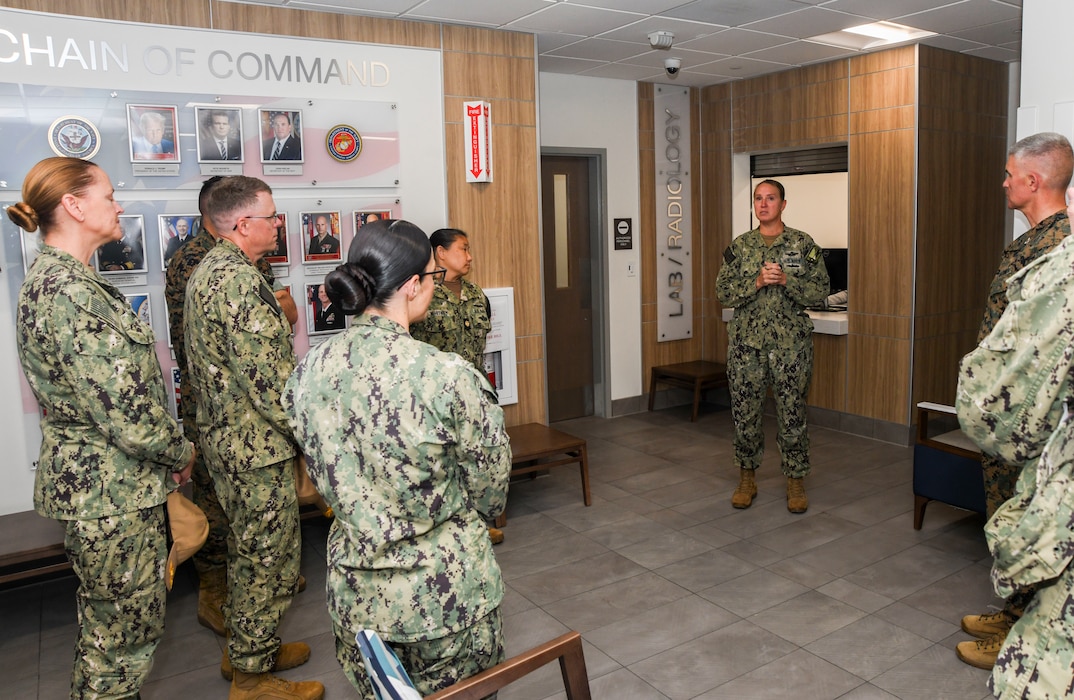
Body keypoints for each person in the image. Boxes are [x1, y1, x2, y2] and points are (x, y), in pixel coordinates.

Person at [281, 218, 511, 699]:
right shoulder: (446, 375)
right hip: (444, 600)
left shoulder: (308, 373)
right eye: (432, 277)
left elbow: (323, 473)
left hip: (357, 599)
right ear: (412, 287)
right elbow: (490, 488)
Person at [9, 157, 196, 698]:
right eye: (109, 195)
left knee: (110, 634)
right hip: (111, 494)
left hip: (106, 488)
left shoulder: (64, 282)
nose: (119, 206)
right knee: (121, 643)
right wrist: (180, 451)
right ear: (73, 205)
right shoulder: (70, 294)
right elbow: (130, 418)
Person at [184, 176, 321, 700]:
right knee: (269, 557)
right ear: (244, 225)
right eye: (271, 216)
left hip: (232, 444)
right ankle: (251, 678)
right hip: (255, 449)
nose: (278, 224)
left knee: (249, 552)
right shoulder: (238, 282)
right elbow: (272, 386)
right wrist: (314, 436)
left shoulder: (213, 269)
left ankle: (250, 648)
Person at [954, 131, 1074, 670]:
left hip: (1037, 424)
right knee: (1006, 514)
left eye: (1009, 174)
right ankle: (1012, 611)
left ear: (1034, 180)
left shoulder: (1059, 250)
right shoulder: (1029, 240)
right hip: (1008, 416)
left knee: (1029, 523)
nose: (1003, 182)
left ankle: (1022, 636)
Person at [715, 179, 828, 514]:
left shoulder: (801, 243)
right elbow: (723, 291)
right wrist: (757, 282)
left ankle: (795, 482)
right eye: (758, 199)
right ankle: (746, 479)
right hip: (746, 347)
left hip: (791, 346)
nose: (763, 204)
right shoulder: (740, 246)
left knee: (792, 414)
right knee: (745, 415)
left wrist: (787, 281)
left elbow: (820, 288)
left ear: (783, 204)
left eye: (770, 199)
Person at [409, 228, 502, 543]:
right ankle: (443, 530)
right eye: (463, 249)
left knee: (475, 462)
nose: (470, 256)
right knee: (440, 467)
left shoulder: (476, 294)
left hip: (473, 395)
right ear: (440, 253)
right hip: (435, 399)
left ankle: (477, 523)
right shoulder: (422, 293)